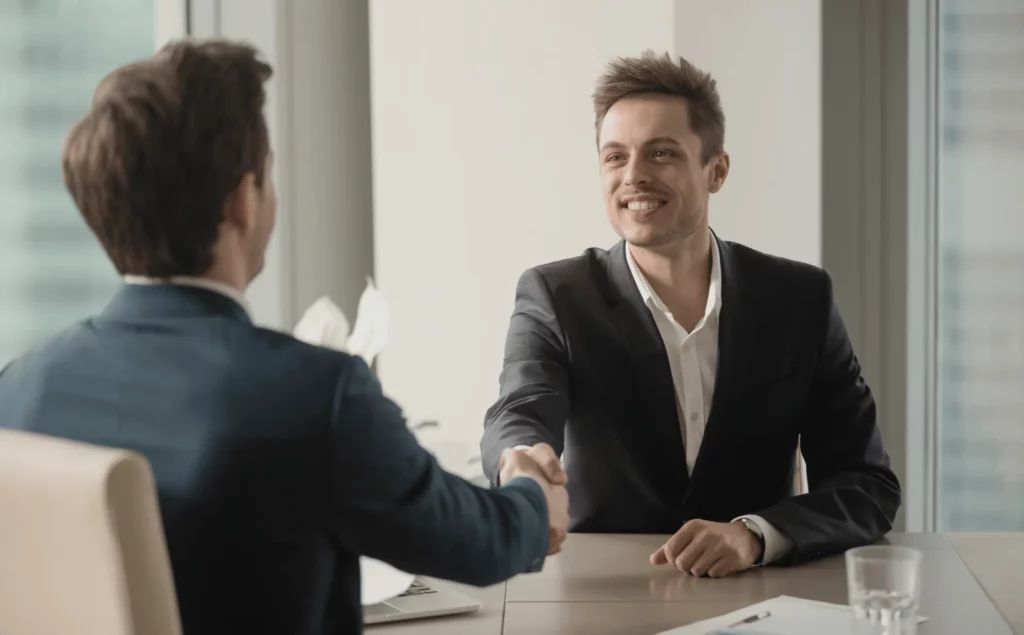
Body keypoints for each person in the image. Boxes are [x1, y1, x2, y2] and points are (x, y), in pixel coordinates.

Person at [0, 39, 568, 635]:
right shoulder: (312, 396)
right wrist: (534, 500)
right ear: (244, 201)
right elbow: (476, 541)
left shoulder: (19, 391)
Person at [480, 51, 901, 578]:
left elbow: (866, 485)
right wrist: (521, 459)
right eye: (615, 157)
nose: (633, 176)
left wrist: (755, 535)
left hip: (758, 600)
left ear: (716, 170)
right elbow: (521, 406)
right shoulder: (555, 294)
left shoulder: (799, 299)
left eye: (660, 153)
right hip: (604, 598)